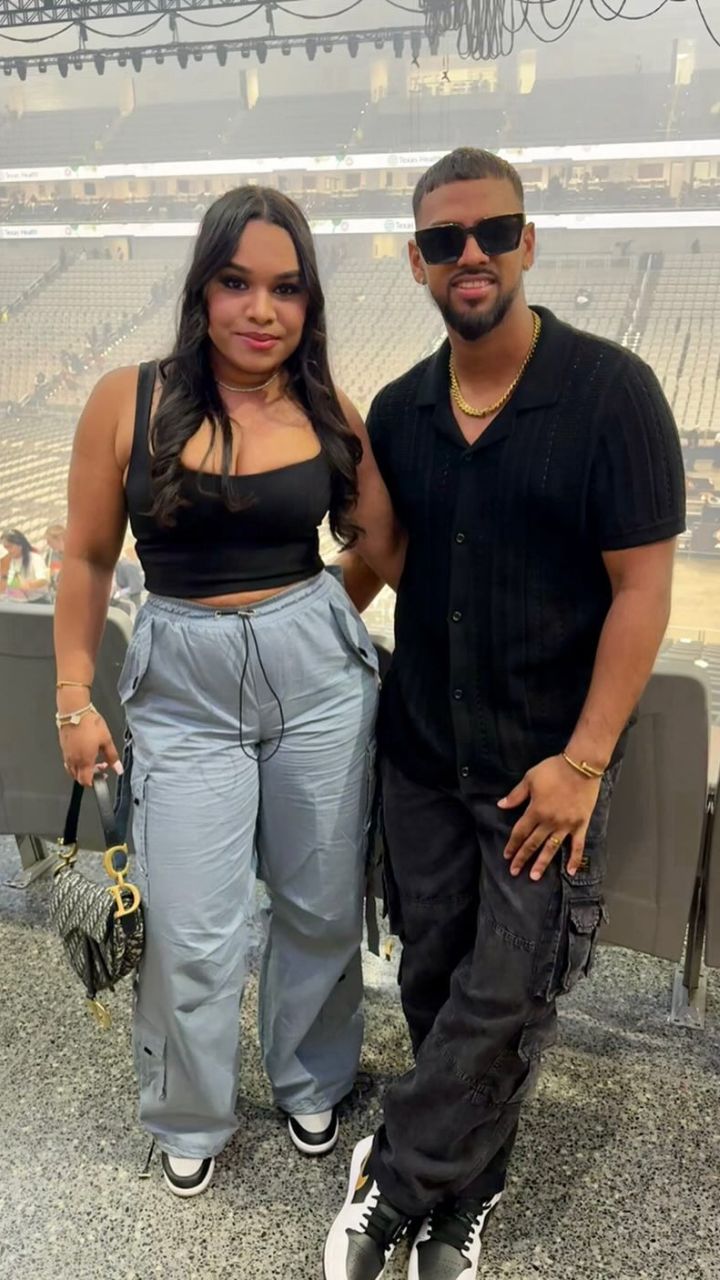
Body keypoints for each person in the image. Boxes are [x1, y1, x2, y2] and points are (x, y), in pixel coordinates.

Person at [325, 148, 686, 1280]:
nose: (470, 253)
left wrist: (585, 761)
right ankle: (468, 1189)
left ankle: (393, 1183)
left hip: (548, 768)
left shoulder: (614, 393)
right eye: (444, 240)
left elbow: (643, 592)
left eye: (491, 232)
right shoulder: (401, 410)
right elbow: (387, 561)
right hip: (423, 756)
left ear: (527, 241)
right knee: (434, 981)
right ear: (418, 263)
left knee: (508, 992)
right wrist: (273, 623)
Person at [53, 186, 404, 1199]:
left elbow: (383, 545)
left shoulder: (331, 408)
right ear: (202, 289)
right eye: (238, 283)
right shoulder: (126, 400)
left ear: (309, 301)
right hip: (184, 686)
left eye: (286, 288)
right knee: (192, 926)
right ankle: (188, 1111)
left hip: (318, 684)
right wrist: (73, 695)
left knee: (319, 903)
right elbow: (87, 556)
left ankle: (313, 1076)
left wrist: (315, 618)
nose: (262, 309)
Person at [1, 528, 52, 603]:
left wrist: (29, 585)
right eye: (6, 547)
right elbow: (14, 583)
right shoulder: (13, 560)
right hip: (23, 600)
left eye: (10, 547)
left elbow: (44, 580)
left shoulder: (35, 558)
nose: (8, 550)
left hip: (40, 600)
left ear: (20, 545)